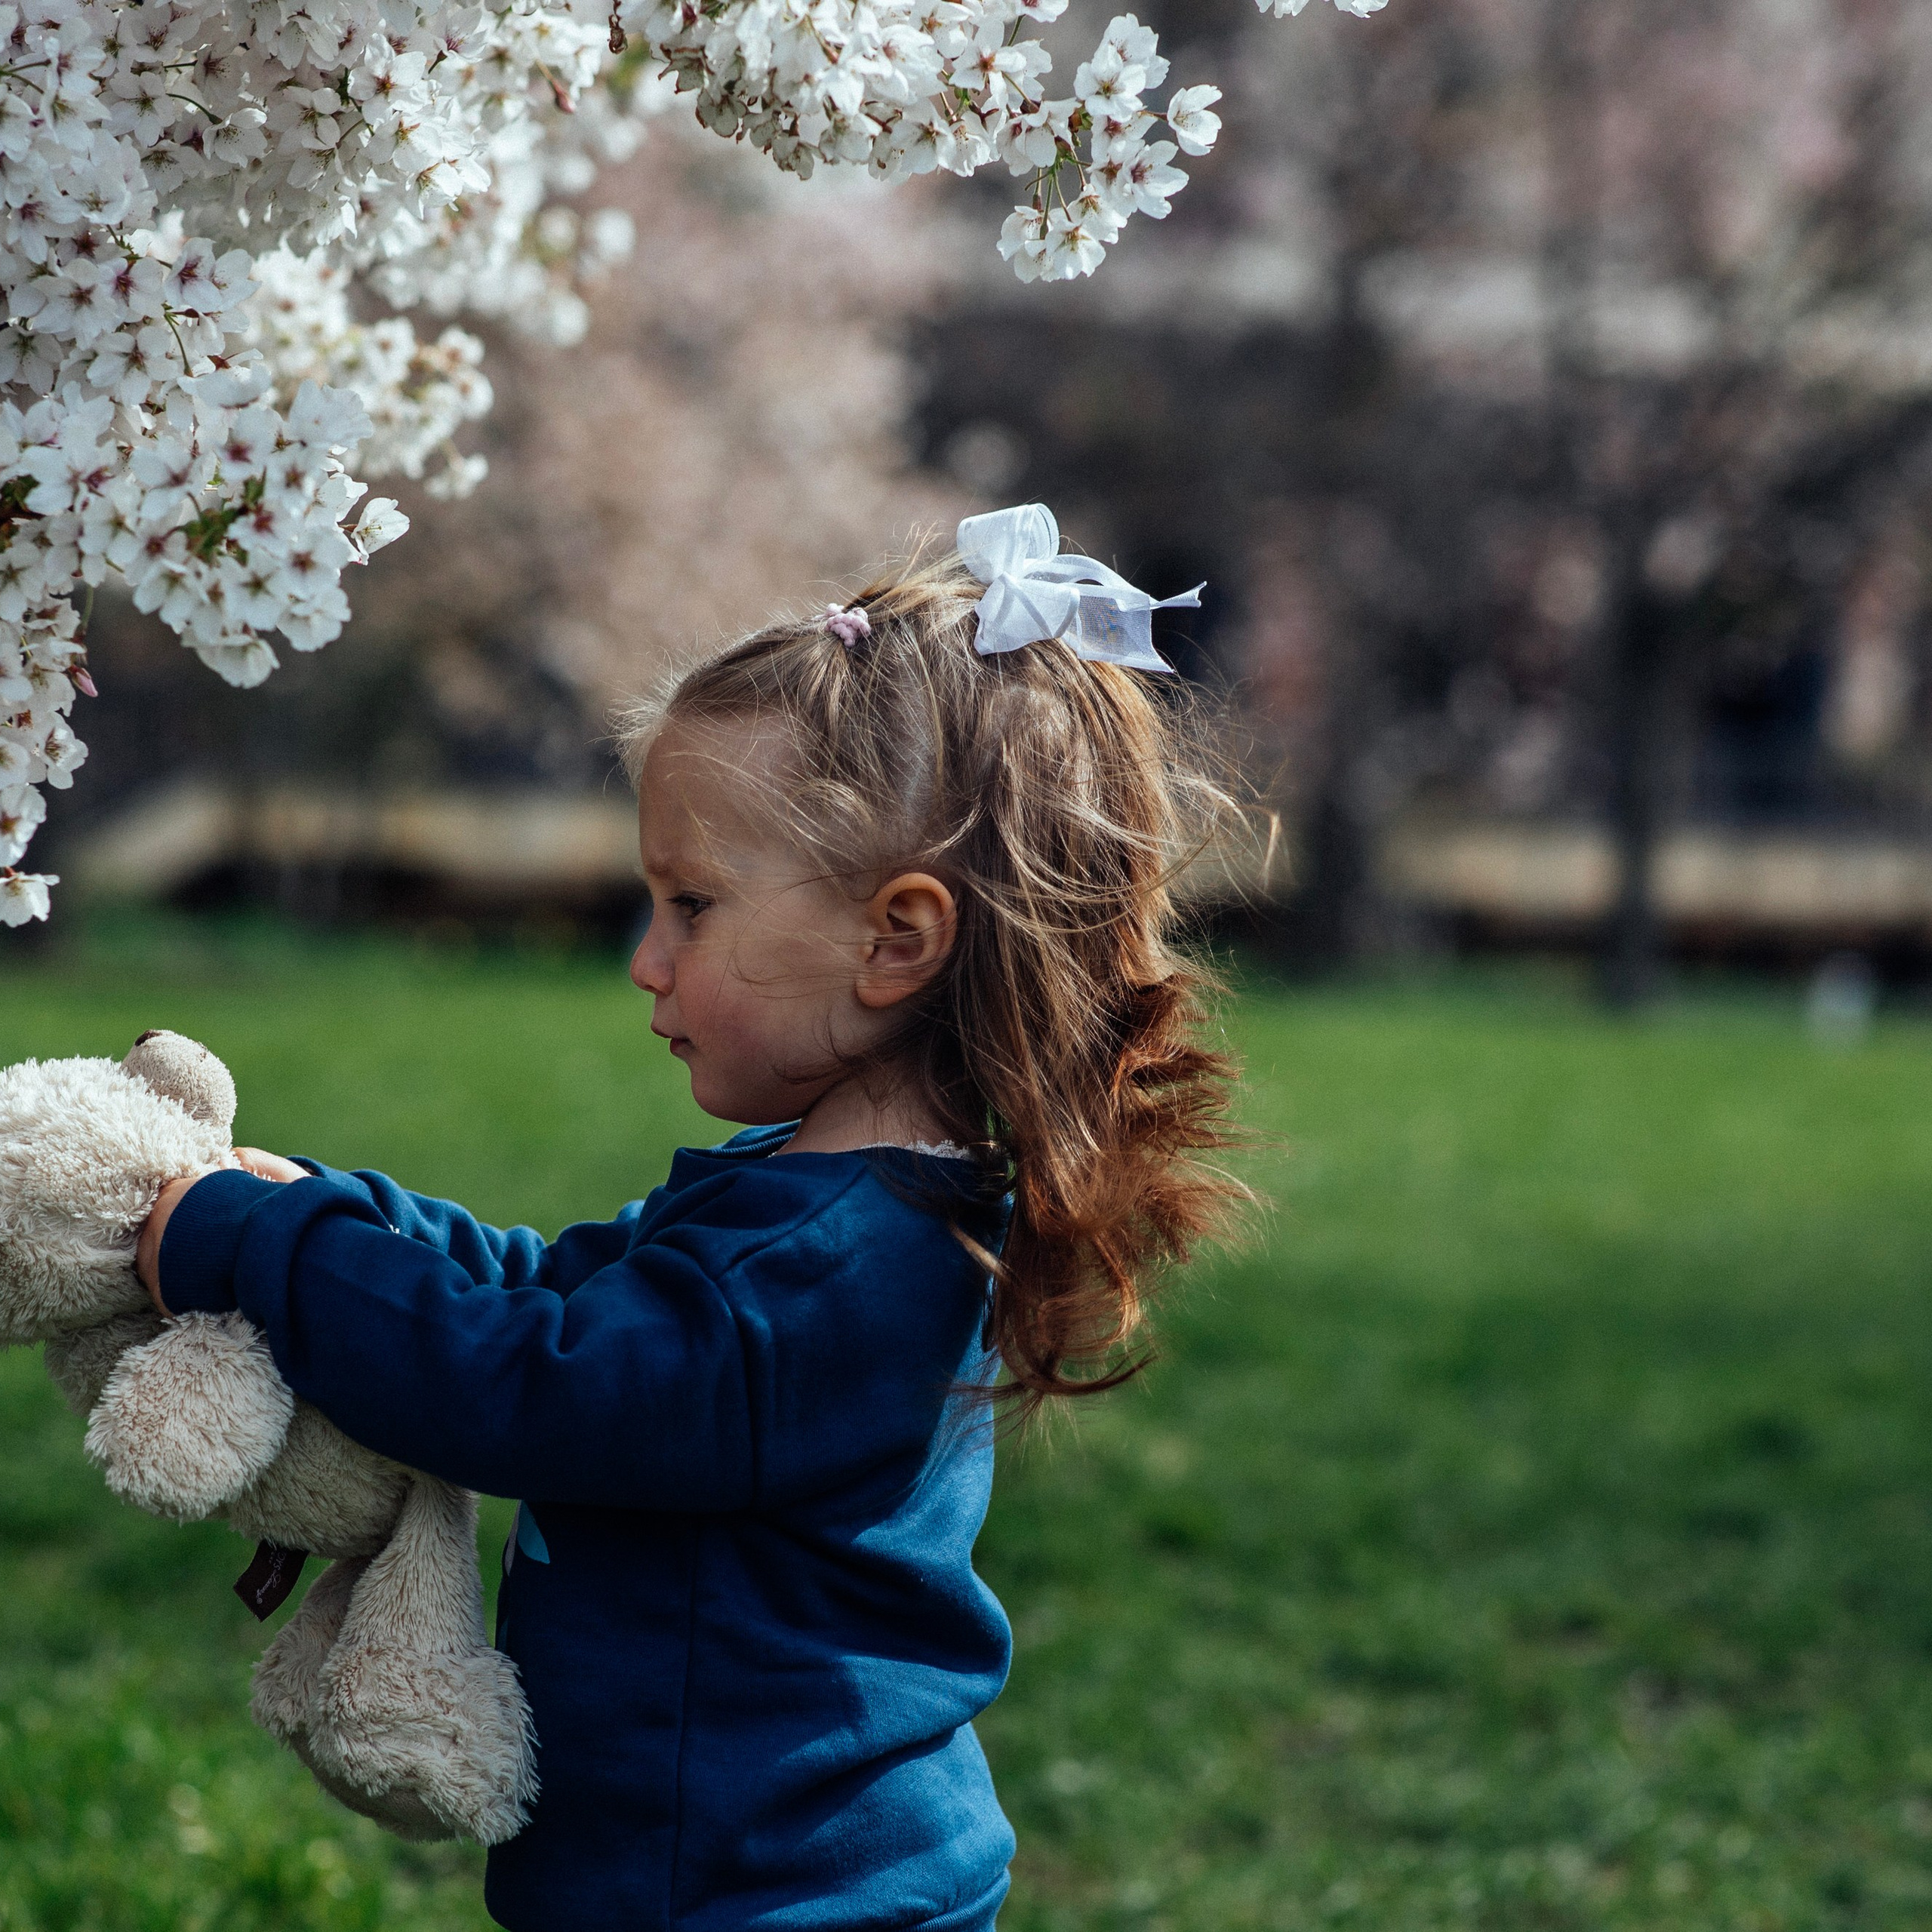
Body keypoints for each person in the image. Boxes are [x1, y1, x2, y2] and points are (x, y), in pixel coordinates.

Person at [134, 504, 1254, 1932]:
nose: (646, 961)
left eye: (693, 906)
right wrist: (332, 1211)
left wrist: (256, 1252)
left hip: (770, 1897)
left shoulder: (839, 1267)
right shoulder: (811, 1198)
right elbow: (559, 1298)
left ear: (896, 939)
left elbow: (530, 1387)